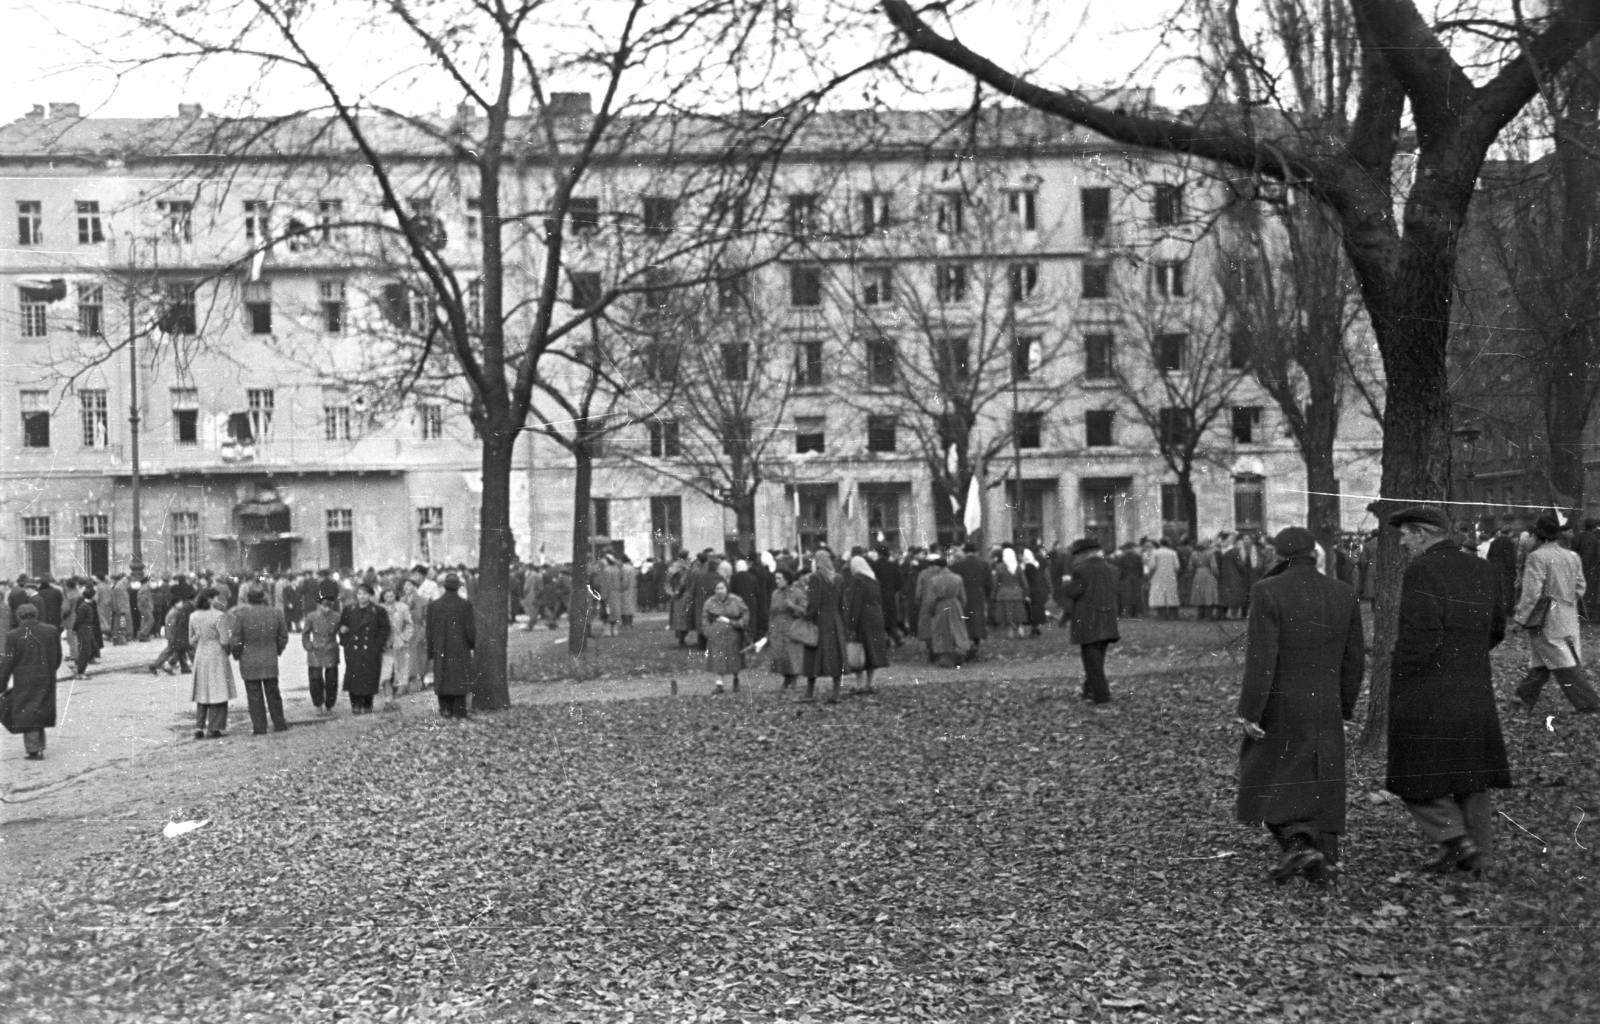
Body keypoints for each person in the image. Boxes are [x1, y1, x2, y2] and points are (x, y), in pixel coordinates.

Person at [1235, 527, 1365, 884]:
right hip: (1326, 699)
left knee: (1264, 773)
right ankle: (1325, 863)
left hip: (1281, 699)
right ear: (1316, 553)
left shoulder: (1267, 590)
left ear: (1278, 554)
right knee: (1321, 776)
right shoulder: (1343, 593)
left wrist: (1251, 710)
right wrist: (1346, 705)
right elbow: (1355, 659)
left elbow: (1262, 657)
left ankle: (1297, 842)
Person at [1387, 504, 1512, 875]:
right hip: (1474, 682)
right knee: (1471, 772)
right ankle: (1481, 856)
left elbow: (1420, 634)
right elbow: (1497, 628)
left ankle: (1458, 841)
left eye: (1406, 535)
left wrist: (1404, 676)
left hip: (1428, 685)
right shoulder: (1483, 568)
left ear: (1422, 533)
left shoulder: (1421, 570)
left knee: (1413, 772)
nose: (1403, 543)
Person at [1511, 513, 1600, 713]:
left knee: (1560, 660)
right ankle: (1522, 698)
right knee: (1545, 658)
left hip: (1544, 616)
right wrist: (1566, 600)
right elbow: (1580, 587)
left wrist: (1520, 619)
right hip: (1567, 613)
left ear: (1539, 536)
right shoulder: (1572, 556)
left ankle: (1589, 701)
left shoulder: (1536, 557)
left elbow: (1531, 593)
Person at [1061, 539, 1120, 704]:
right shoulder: (1113, 570)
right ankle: (1089, 689)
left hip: (1087, 618)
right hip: (1108, 618)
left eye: (1078, 554)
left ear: (1084, 554)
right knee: (1098, 658)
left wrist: (1065, 583)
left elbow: (1072, 591)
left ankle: (1101, 695)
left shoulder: (1080, 570)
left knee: (1091, 659)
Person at [1, 604, 62, 760]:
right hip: (46, 676)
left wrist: (1, 684)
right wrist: (50, 670)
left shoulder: (13, 635)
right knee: (39, 709)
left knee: (28, 711)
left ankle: (34, 750)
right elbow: (58, 655)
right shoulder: (51, 630)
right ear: (36, 614)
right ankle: (37, 746)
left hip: (24, 679)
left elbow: (7, 663)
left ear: (19, 616)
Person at [229, 584, 290, 735]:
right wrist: (276, 650)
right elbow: (283, 636)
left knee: (254, 696)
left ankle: (259, 727)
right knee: (273, 693)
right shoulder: (276, 613)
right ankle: (279, 723)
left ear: (249, 599)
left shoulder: (241, 615)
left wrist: (238, 655)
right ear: (264, 598)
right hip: (269, 659)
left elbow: (236, 640)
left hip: (249, 661)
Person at [426, 573, 476, 719]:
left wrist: (430, 651)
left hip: (440, 647)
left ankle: (445, 708)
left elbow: (429, 631)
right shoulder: (465, 605)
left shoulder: (434, 606)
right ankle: (459, 709)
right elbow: (470, 631)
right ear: (458, 587)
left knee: (442, 675)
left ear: (444, 586)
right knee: (459, 676)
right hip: (460, 647)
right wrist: (471, 645)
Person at [801, 550, 849, 703]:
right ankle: (836, 693)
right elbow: (843, 604)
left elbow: (814, 602)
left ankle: (809, 693)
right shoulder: (839, 578)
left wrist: (807, 616)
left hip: (820, 620)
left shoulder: (816, 578)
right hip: (835, 620)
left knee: (813, 654)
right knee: (836, 656)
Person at [188, 588, 235, 739]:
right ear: (210, 599)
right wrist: (228, 650)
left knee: (202, 690)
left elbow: (191, 639)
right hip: (216, 653)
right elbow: (224, 640)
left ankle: (199, 727)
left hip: (201, 653)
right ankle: (215, 728)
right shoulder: (219, 616)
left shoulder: (194, 616)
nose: (218, 600)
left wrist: (202, 642)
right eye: (216, 598)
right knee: (218, 690)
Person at [339, 584, 391, 715]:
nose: (362, 597)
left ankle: (368, 704)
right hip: (354, 649)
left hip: (370, 649)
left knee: (369, 676)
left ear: (370, 596)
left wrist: (378, 644)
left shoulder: (378, 611)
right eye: (360, 594)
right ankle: (355, 704)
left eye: (365, 594)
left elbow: (385, 629)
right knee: (354, 677)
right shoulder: (349, 609)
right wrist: (346, 643)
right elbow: (342, 627)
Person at [842, 555, 890, 694]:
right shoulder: (873, 579)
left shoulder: (858, 580)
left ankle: (859, 685)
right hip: (876, 617)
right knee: (872, 651)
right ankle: (870, 683)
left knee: (860, 650)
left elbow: (855, 603)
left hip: (863, 618)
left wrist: (851, 625)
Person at [921, 556, 971, 668]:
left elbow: (931, 599)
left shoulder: (934, 580)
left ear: (938, 566)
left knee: (941, 631)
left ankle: (945, 658)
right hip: (955, 604)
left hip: (941, 605)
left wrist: (931, 610)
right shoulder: (957, 578)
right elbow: (962, 596)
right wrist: (962, 606)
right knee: (958, 629)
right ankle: (960, 651)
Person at [701, 579, 748, 694]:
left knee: (734, 657)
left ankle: (736, 678)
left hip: (733, 634)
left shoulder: (736, 600)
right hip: (717, 635)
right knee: (718, 658)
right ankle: (719, 683)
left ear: (727, 589)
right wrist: (708, 631)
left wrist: (738, 623)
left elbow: (745, 614)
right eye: (717, 588)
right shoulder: (709, 602)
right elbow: (705, 618)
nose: (720, 591)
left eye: (722, 588)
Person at [767, 568, 809, 690]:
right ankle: (786, 677)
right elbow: (771, 612)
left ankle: (794, 679)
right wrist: (770, 628)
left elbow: (805, 610)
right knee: (780, 654)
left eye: (780, 578)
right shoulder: (775, 593)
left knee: (793, 654)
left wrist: (793, 606)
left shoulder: (797, 592)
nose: (777, 581)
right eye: (776, 579)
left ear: (787, 579)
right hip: (777, 626)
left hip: (792, 626)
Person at [950, 542, 993, 659]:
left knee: (964, 621)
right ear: (976, 552)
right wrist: (985, 595)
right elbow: (989, 584)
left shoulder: (956, 566)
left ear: (964, 552)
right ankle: (976, 645)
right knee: (978, 621)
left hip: (962, 597)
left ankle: (965, 646)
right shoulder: (984, 565)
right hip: (979, 596)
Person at [302, 597, 342, 714]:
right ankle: (318, 704)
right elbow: (305, 634)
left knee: (332, 680)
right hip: (316, 650)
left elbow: (343, 632)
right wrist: (308, 646)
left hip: (331, 650)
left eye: (329, 606)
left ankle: (329, 705)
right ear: (319, 605)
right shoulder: (311, 616)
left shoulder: (337, 616)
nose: (326, 609)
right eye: (324, 605)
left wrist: (343, 635)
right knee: (315, 679)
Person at [148, 580, 196, 676]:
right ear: (175, 603)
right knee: (172, 651)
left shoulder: (176, 611)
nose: (181, 604)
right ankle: (157, 664)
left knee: (180, 650)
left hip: (176, 635)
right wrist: (173, 636)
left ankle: (184, 667)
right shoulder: (175, 612)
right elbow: (172, 625)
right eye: (179, 603)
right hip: (174, 635)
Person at [379, 587, 414, 707]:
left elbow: (409, 624)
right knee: (386, 672)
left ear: (395, 596)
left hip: (399, 643)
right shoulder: (379, 608)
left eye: (392, 596)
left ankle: (395, 697)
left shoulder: (403, 607)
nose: (389, 599)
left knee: (398, 671)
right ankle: (388, 698)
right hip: (385, 644)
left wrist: (405, 638)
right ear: (383, 597)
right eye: (387, 596)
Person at [993, 547, 1028, 638]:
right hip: (1017, 593)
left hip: (1003, 593)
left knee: (1008, 613)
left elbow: (996, 582)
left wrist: (993, 594)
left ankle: (1011, 630)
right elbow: (1024, 582)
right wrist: (1026, 593)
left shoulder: (999, 567)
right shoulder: (1018, 566)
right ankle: (1020, 627)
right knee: (1018, 612)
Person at [1147, 539, 1181, 620]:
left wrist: (1150, 575)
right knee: (1171, 593)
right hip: (1170, 575)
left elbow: (1152, 566)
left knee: (1159, 594)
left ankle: (1162, 615)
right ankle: (1173, 615)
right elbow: (1177, 566)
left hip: (1158, 575)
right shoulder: (1173, 553)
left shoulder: (1155, 553)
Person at [594, 555, 622, 638]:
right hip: (616, 593)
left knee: (607, 613)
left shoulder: (606, 571)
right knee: (615, 612)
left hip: (609, 594)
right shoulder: (616, 570)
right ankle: (615, 630)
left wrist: (603, 596)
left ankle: (608, 631)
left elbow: (606, 584)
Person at [1190, 540, 1220, 619]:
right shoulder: (1210, 553)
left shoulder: (1193, 554)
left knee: (1199, 594)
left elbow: (1190, 567)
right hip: (1208, 573)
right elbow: (1214, 567)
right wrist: (1217, 575)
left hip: (1198, 573)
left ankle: (1200, 615)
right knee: (1208, 593)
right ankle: (1208, 615)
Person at [618, 556, 639, 629]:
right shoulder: (632, 567)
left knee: (625, 608)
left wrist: (621, 588)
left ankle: (626, 625)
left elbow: (625, 581)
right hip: (632, 589)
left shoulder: (624, 568)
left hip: (626, 591)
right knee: (631, 608)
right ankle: (630, 623)